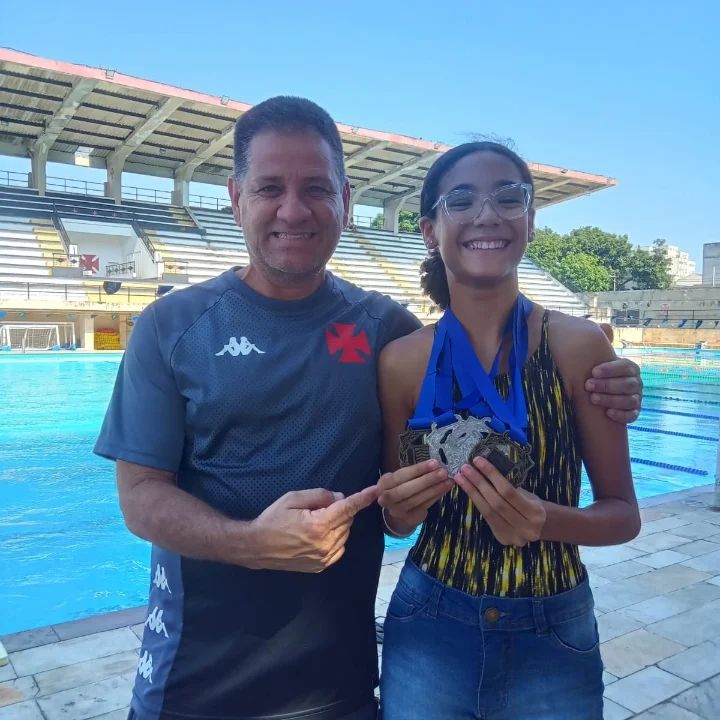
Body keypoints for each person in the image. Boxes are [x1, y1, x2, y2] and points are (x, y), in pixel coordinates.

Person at [94, 98, 643, 720]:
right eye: (270, 188)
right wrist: (252, 543)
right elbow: (140, 496)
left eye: (317, 188)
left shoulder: (387, 331)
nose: (293, 210)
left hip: (340, 683)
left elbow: (401, 492)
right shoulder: (172, 326)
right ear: (236, 197)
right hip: (197, 684)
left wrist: (619, 380)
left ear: (346, 201)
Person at [376, 142, 640, 720]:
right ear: (430, 231)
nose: (487, 214)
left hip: (553, 629)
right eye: (461, 200)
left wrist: (546, 520)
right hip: (428, 624)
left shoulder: (577, 347)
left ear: (530, 222)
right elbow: (396, 521)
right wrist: (399, 509)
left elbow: (623, 515)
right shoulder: (402, 361)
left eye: (508, 198)